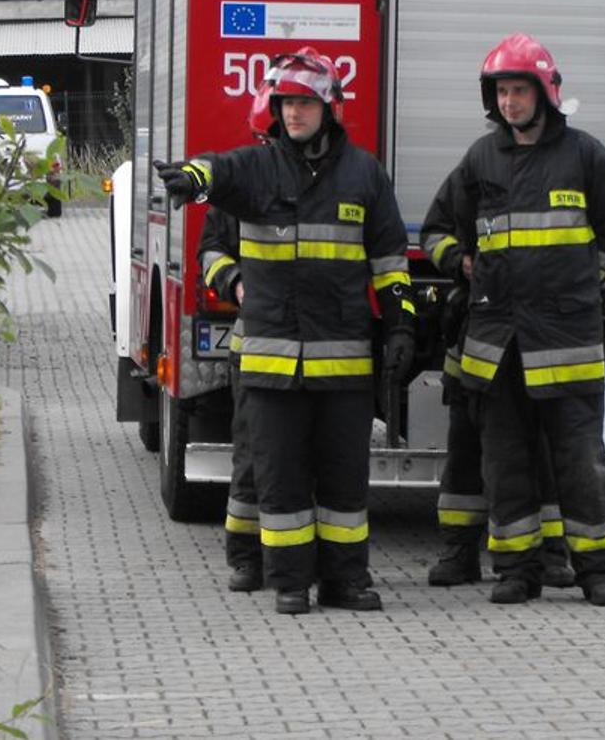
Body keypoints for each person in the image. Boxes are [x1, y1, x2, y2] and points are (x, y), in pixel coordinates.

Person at [157, 47, 416, 615]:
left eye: (302, 102)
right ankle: (290, 582)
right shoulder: (260, 167)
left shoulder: (365, 175)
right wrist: (194, 177)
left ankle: (347, 581)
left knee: (346, 483)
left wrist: (401, 328)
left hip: (344, 365)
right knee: (281, 480)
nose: (292, 113)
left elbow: (391, 260)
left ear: (329, 107)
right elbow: (218, 172)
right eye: (284, 103)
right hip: (272, 366)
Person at [419, 32, 605, 607]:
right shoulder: (481, 158)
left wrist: (580, 279)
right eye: (502, 92)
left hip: (566, 340)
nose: (510, 102)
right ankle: (517, 570)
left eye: (519, 90)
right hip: (498, 343)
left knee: (581, 463)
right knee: (506, 464)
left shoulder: (584, 155)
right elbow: (435, 229)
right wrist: (460, 262)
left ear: (545, 93)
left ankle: (601, 571)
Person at [419, 280, 576, 590]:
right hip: (473, 341)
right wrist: (459, 262)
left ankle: (550, 553)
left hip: (530, 340)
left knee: (538, 451)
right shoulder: (472, 231)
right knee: (464, 452)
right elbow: (438, 235)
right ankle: (459, 552)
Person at [198, 207, 261, 592]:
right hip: (256, 349)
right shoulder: (249, 178)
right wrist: (235, 281)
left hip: (323, 350)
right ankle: (247, 558)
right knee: (253, 458)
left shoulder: (343, 178)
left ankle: (305, 564)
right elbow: (211, 249)